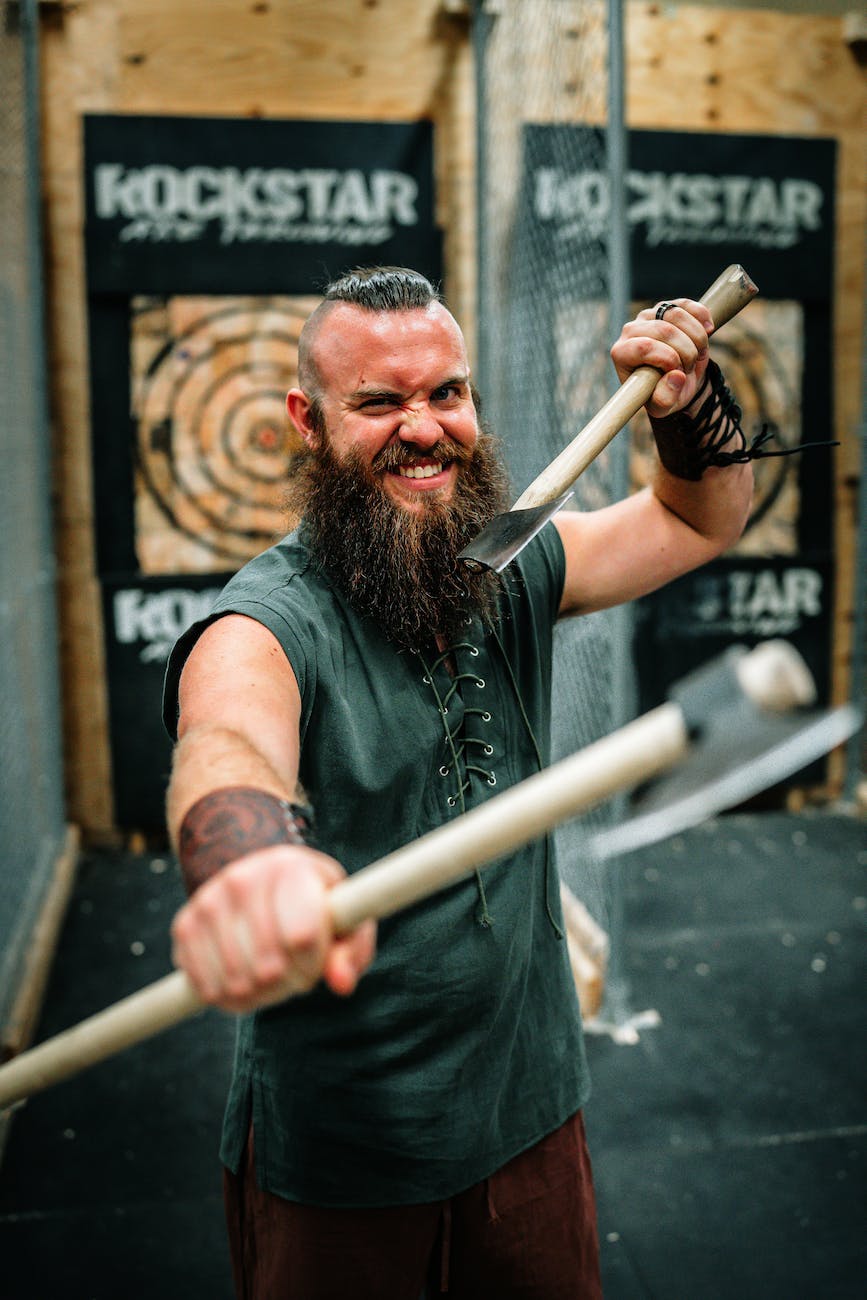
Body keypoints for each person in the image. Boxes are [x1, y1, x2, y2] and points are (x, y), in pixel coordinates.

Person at [162, 265, 755, 1299]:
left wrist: (688, 398)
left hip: (530, 1112)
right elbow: (226, 737)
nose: (424, 428)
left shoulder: (504, 562)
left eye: (447, 393)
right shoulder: (270, 618)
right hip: (346, 1159)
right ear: (306, 420)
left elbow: (701, 520)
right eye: (381, 402)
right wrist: (250, 862)